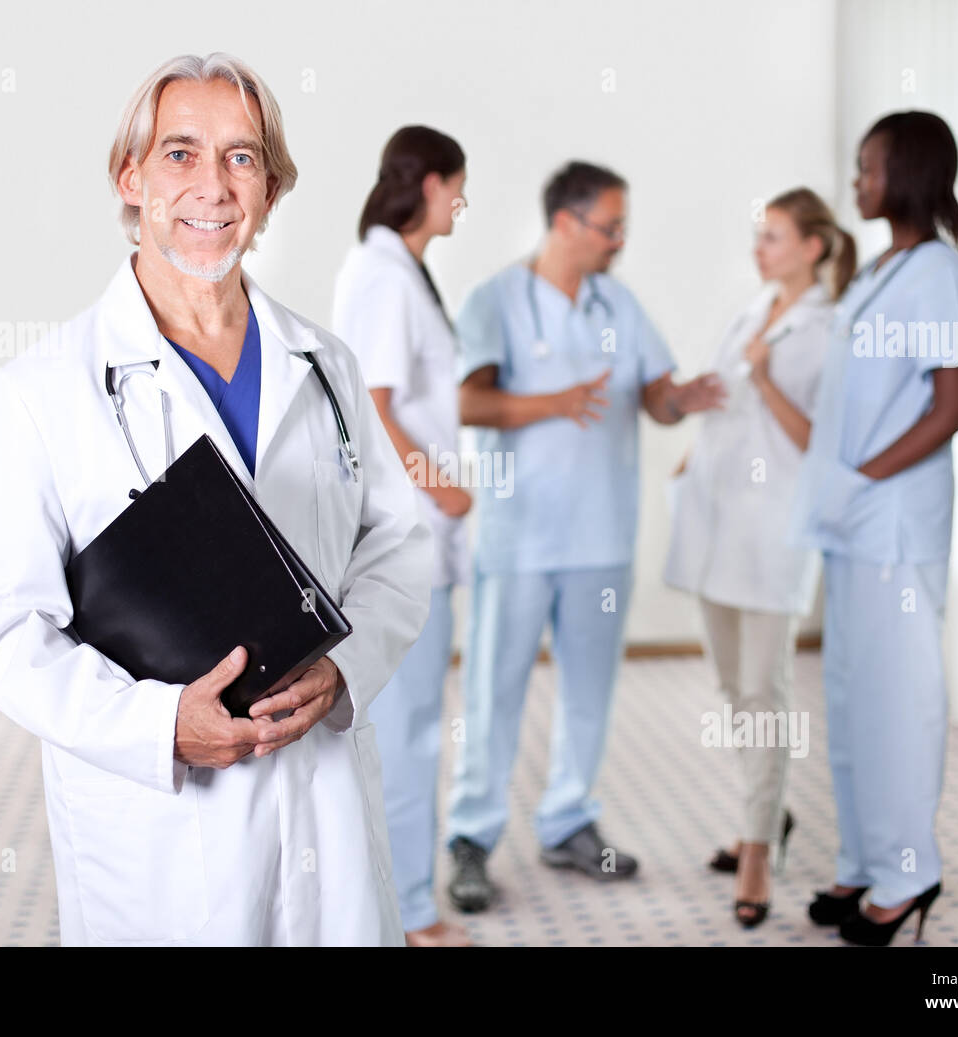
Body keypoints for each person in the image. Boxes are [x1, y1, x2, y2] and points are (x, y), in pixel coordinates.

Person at [0, 52, 433, 946]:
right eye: (180, 153)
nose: (213, 186)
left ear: (270, 189)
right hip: (161, 840)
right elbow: (13, 641)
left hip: (324, 806)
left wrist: (344, 667)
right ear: (130, 177)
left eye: (242, 158)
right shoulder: (36, 394)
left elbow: (397, 545)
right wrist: (160, 726)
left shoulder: (326, 365)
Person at [445, 161, 725, 911]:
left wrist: (681, 398)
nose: (620, 240)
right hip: (520, 537)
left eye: (623, 226)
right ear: (565, 222)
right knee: (494, 689)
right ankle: (471, 835)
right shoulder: (496, 300)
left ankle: (569, 821)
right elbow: (468, 402)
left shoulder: (616, 303)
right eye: (610, 226)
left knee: (590, 691)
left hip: (602, 537)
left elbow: (655, 396)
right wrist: (555, 402)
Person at [793, 110, 958, 946]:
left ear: (908, 173)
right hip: (851, 520)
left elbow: (949, 406)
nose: (857, 180)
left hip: (894, 522)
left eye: (868, 166)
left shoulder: (936, 271)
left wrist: (863, 478)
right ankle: (862, 858)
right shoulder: (875, 272)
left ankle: (908, 873)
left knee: (900, 701)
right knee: (851, 696)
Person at [664, 188, 855, 927]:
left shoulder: (829, 328)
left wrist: (766, 377)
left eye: (773, 236)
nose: (759, 248)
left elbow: (818, 440)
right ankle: (766, 814)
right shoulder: (752, 313)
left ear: (813, 246)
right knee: (732, 688)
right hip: (717, 518)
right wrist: (693, 447)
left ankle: (757, 850)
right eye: (758, 235)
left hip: (774, 531)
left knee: (763, 693)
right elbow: (729, 405)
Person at [331, 125, 473, 947]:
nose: (463, 200)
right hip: (408, 535)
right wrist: (442, 485)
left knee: (403, 724)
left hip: (405, 533)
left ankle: (394, 899)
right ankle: (413, 911)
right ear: (427, 184)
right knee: (413, 729)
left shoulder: (394, 268)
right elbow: (377, 405)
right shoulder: (386, 275)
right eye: (457, 185)